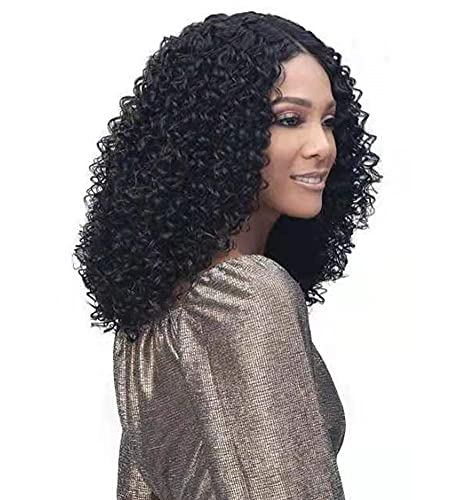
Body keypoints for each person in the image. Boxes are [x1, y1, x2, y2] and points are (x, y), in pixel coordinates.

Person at [73, 11, 382, 499]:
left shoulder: (155, 313)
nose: (322, 146)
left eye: (328, 122)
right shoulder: (248, 296)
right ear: (219, 134)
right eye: (289, 120)